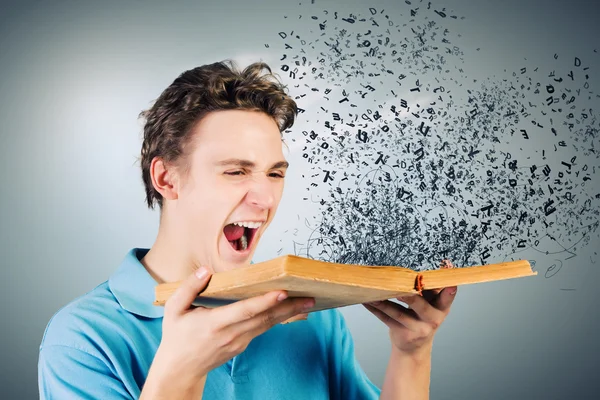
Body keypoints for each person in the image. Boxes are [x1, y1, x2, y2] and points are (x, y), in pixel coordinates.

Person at [38, 60, 458, 399]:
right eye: (236, 171)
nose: (264, 198)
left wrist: (412, 353)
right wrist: (180, 372)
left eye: (275, 174)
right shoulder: (83, 340)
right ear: (167, 180)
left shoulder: (307, 317)